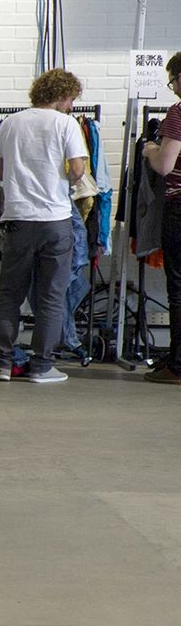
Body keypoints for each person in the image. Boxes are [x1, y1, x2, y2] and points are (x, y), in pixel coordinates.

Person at [0, 68, 88, 384]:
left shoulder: (11, 123)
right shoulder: (66, 124)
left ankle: (1, 363)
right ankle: (42, 366)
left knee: (10, 295)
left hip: (18, 220)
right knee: (51, 296)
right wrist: (64, 177)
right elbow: (78, 169)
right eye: (71, 99)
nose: (71, 106)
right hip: (55, 221)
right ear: (61, 96)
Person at [143, 52, 181, 384]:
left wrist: (150, 150)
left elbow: (165, 165)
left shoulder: (178, 112)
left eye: (172, 82)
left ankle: (178, 366)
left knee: (179, 287)